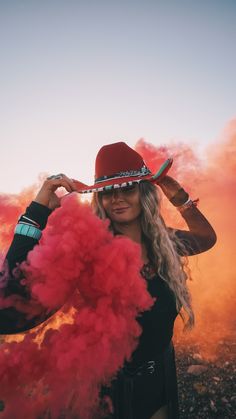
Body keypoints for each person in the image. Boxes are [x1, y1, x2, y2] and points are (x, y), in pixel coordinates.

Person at [0, 141, 217, 419]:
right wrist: (37, 210)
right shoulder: (89, 252)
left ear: (145, 193)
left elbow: (206, 238)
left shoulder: (165, 243)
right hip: (110, 395)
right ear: (98, 199)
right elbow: (12, 309)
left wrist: (179, 195)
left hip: (160, 377)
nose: (117, 199)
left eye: (128, 188)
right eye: (107, 192)